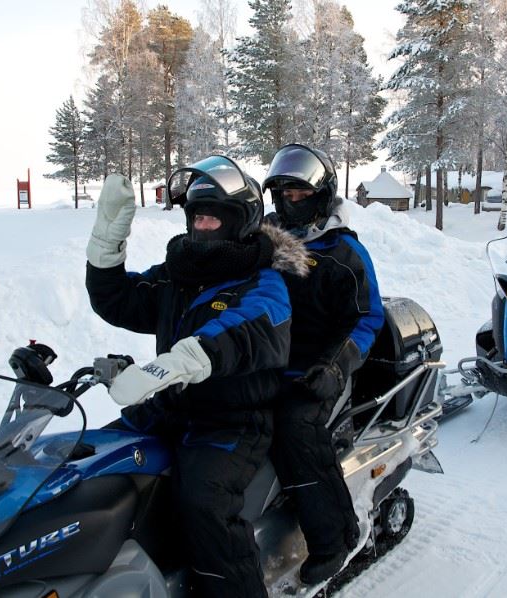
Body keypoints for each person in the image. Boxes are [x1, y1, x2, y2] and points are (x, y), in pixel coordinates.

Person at [85, 156, 308, 598]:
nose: (203, 224)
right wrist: (106, 242)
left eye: (214, 217)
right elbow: (119, 300)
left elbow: (242, 333)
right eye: (197, 216)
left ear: (240, 220)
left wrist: (176, 362)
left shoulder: (264, 283)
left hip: (232, 420)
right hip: (169, 410)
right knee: (90, 465)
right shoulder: (178, 274)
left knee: (204, 504)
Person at [262, 143, 385, 585]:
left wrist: (335, 368)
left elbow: (367, 316)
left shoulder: (343, 252)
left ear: (319, 194)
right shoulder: (263, 245)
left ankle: (335, 535)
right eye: (283, 194)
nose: (290, 201)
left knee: (295, 429)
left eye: (299, 193)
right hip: (267, 366)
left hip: (320, 369)